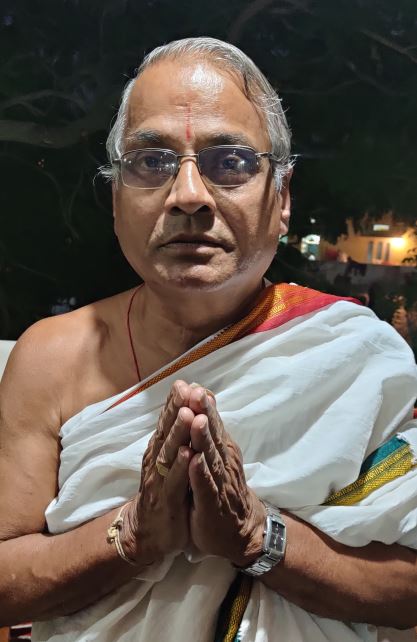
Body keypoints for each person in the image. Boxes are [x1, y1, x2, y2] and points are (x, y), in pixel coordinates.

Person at [0, 37, 416, 642]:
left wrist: (258, 538)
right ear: (116, 199)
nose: (189, 195)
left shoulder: (356, 357)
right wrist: (132, 537)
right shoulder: (51, 359)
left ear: (282, 199)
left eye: (231, 162)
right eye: (152, 162)